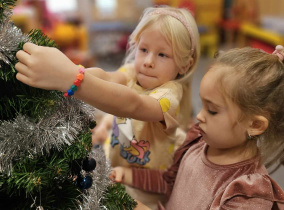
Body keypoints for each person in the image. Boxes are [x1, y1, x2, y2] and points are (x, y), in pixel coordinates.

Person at [15, 6, 200, 209]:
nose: (148, 62)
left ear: (185, 64)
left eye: (162, 55)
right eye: (144, 50)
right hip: (112, 166)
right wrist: (75, 70)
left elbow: (133, 105)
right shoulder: (133, 72)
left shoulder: (170, 95)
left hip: (143, 189)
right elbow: (107, 77)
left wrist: (72, 79)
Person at [110, 46, 284, 209]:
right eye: (202, 105)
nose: (200, 116)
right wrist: (127, 174)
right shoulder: (197, 140)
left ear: (255, 125)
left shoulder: (248, 194)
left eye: (212, 111)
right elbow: (169, 182)